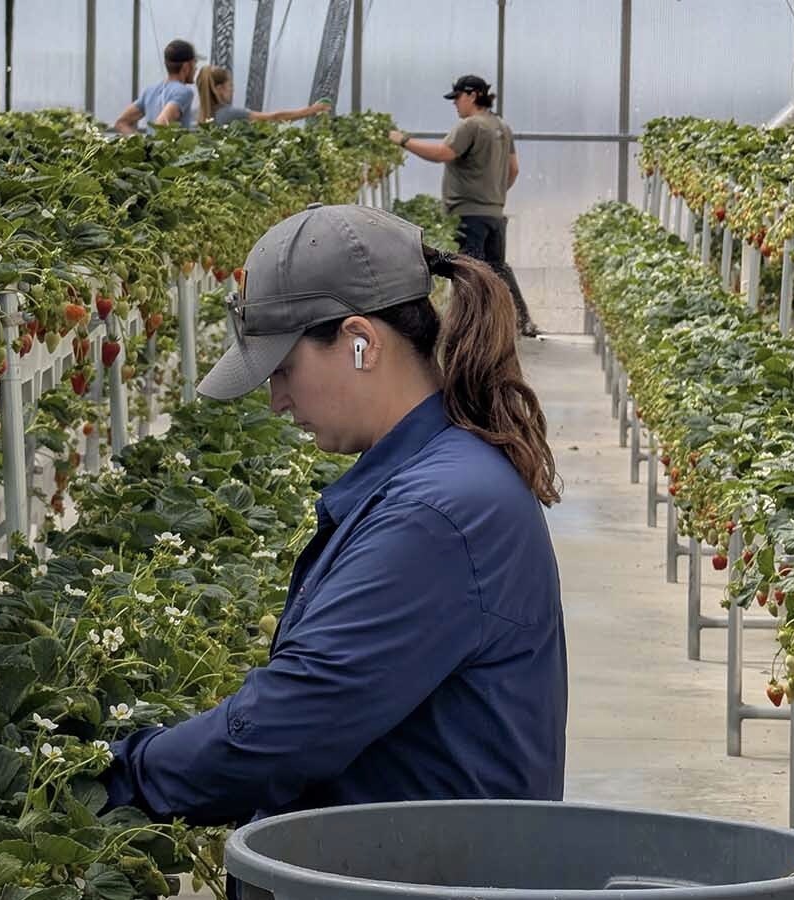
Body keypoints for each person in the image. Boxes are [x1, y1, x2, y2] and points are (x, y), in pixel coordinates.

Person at [102, 203, 566, 831]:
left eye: (285, 369)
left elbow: (290, 724)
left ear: (359, 343)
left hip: (421, 878)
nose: (277, 399)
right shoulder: (444, 471)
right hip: (418, 858)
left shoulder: (436, 514)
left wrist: (117, 775)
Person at [388, 75, 539, 337]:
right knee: (496, 268)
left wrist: (403, 141)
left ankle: (471, 329)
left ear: (471, 95)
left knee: (468, 271)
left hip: (468, 213)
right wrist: (492, 193)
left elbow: (442, 154)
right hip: (494, 212)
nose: (455, 104)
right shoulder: (501, 127)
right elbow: (513, 170)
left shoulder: (470, 126)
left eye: (457, 98)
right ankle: (519, 321)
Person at [195, 65, 331, 125]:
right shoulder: (230, 114)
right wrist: (312, 110)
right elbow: (275, 118)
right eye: (230, 85)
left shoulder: (196, 115)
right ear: (219, 88)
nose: (232, 90)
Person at [114, 39, 199, 134]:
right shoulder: (184, 92)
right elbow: (161, 125)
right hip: (169, 149)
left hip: (154, 148)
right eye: (195, 62)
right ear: (186, 67)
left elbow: (121, 123)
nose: (196, 68)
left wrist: (144, 145)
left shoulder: (150, 91)